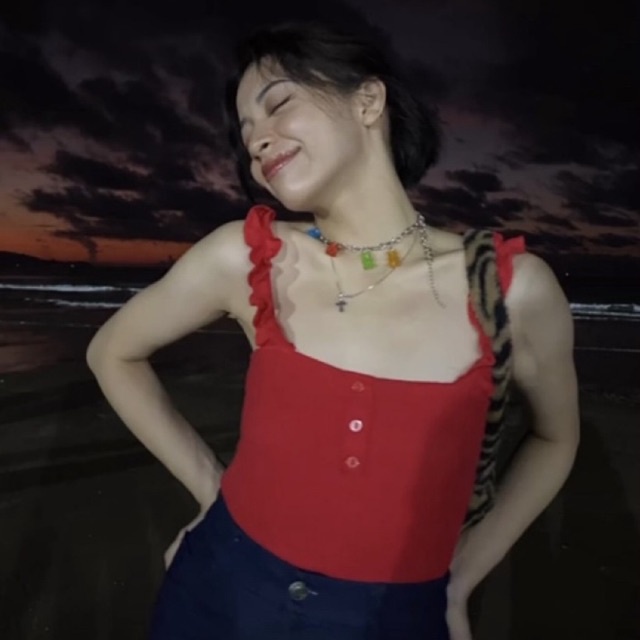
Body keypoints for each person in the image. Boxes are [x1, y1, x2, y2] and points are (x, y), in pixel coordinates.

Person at [86, 20, 580, 640]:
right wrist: (212, 488)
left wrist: (460, 578)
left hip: (392, 619)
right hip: (218, 592)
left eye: (278, 105)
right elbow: (113, 352)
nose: (257, 142)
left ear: (367, 100)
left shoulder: (508, 290)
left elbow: (555, 438)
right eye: (245, 132)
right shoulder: (247, 258)